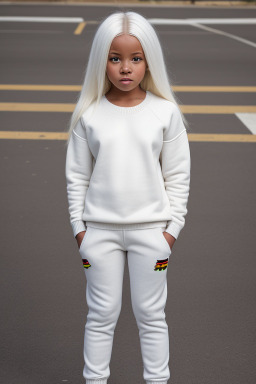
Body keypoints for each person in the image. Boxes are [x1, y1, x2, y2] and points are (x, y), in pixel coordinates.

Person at [65, 11, 191, 384]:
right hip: (98, 235)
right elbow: (77, 177)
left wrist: (170, 231)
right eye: (115, 58)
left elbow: (178, 175)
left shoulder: (165, 112)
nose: (125, 68)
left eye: (135, 58)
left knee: (151, 315)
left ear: (148, 60)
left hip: (151, 234)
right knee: (101, 315)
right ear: (101, 60)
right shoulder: (89, 114)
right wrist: (80, 231)